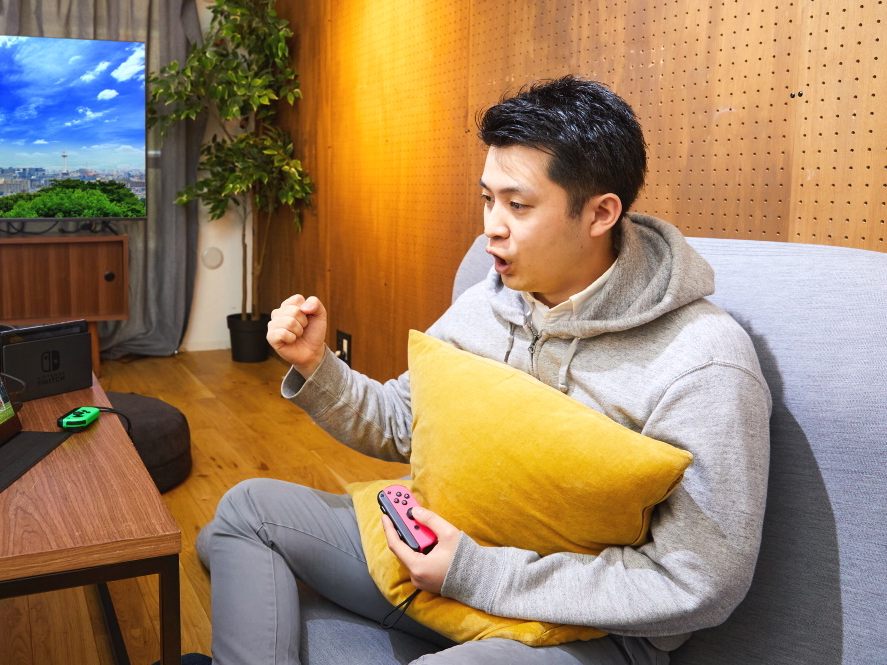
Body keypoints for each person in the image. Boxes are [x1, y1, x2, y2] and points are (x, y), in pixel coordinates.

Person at [193, 76, 772, 665]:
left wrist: (476, 573)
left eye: (517, 205)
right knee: (246, 509)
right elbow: (403, 423)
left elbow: (698, 581)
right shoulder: (490, 299)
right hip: (438, 559)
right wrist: (317, 365)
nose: (491, 226)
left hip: (579, 628)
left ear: (600, 213)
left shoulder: (702, 360)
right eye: (487, 199)